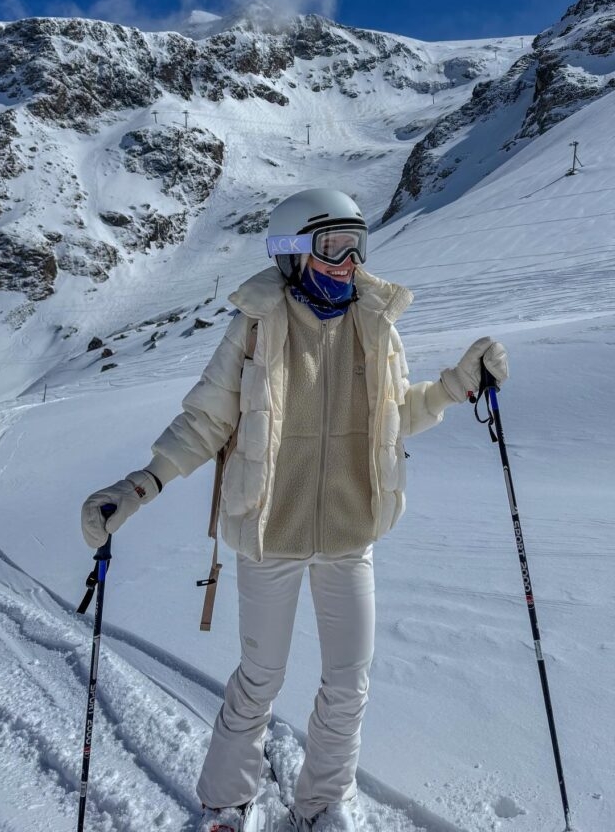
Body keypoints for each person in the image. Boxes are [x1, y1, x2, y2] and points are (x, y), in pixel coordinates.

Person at [81, 188, 508, 832]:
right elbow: (205, 422)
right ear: (291, 253)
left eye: (355, 246)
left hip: (350, 530)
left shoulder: (376, 325)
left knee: (348, 682)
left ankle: (321, 801)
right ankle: (226, 803)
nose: (347, 261)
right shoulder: (255, 327)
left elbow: (394, 418)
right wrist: (142, 485)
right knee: (260, 678)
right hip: (270, 533)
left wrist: (456, 387)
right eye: (331, 247)